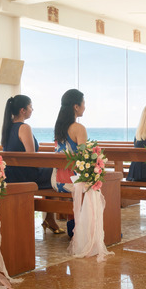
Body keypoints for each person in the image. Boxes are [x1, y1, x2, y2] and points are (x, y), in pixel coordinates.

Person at [1, 95, 63, 234]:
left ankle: (50, 218)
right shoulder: (24, 127)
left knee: (51, 172)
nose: (32, 109)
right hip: (25, 176)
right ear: (23, 110)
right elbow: (32, 157)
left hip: (11, 174)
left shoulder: (7, 126)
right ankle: (51, 217)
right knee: (56, 173)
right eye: (30, 106)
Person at [51, 89, 88, 238]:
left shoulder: (59, 128)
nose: (85, 106)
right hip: (72, 182)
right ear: (76, 106)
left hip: (56, 181)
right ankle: (85, 229)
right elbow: (84, 158)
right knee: (104, 184)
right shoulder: (78, 128)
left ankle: (72, 226)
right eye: (83, 103)